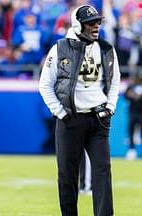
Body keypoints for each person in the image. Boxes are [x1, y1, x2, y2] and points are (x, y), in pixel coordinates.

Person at [39, 4, 120, 216]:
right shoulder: (60, 48)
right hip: (70, 119)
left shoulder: (106, 49)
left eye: (98, 22)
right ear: (78, 25)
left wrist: (110, 107)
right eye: (90, 23)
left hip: (97, 120)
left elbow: (115, 81)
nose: (96, 26)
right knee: (67, 175)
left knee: (102, 171)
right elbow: (45, 84)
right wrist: (60, 112)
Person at [124, 73, 142, 161]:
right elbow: (125, 96)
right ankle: (132, 150)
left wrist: (140, 96)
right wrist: (134, 95)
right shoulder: (131, 86)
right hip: (133, 112)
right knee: (131, 131)